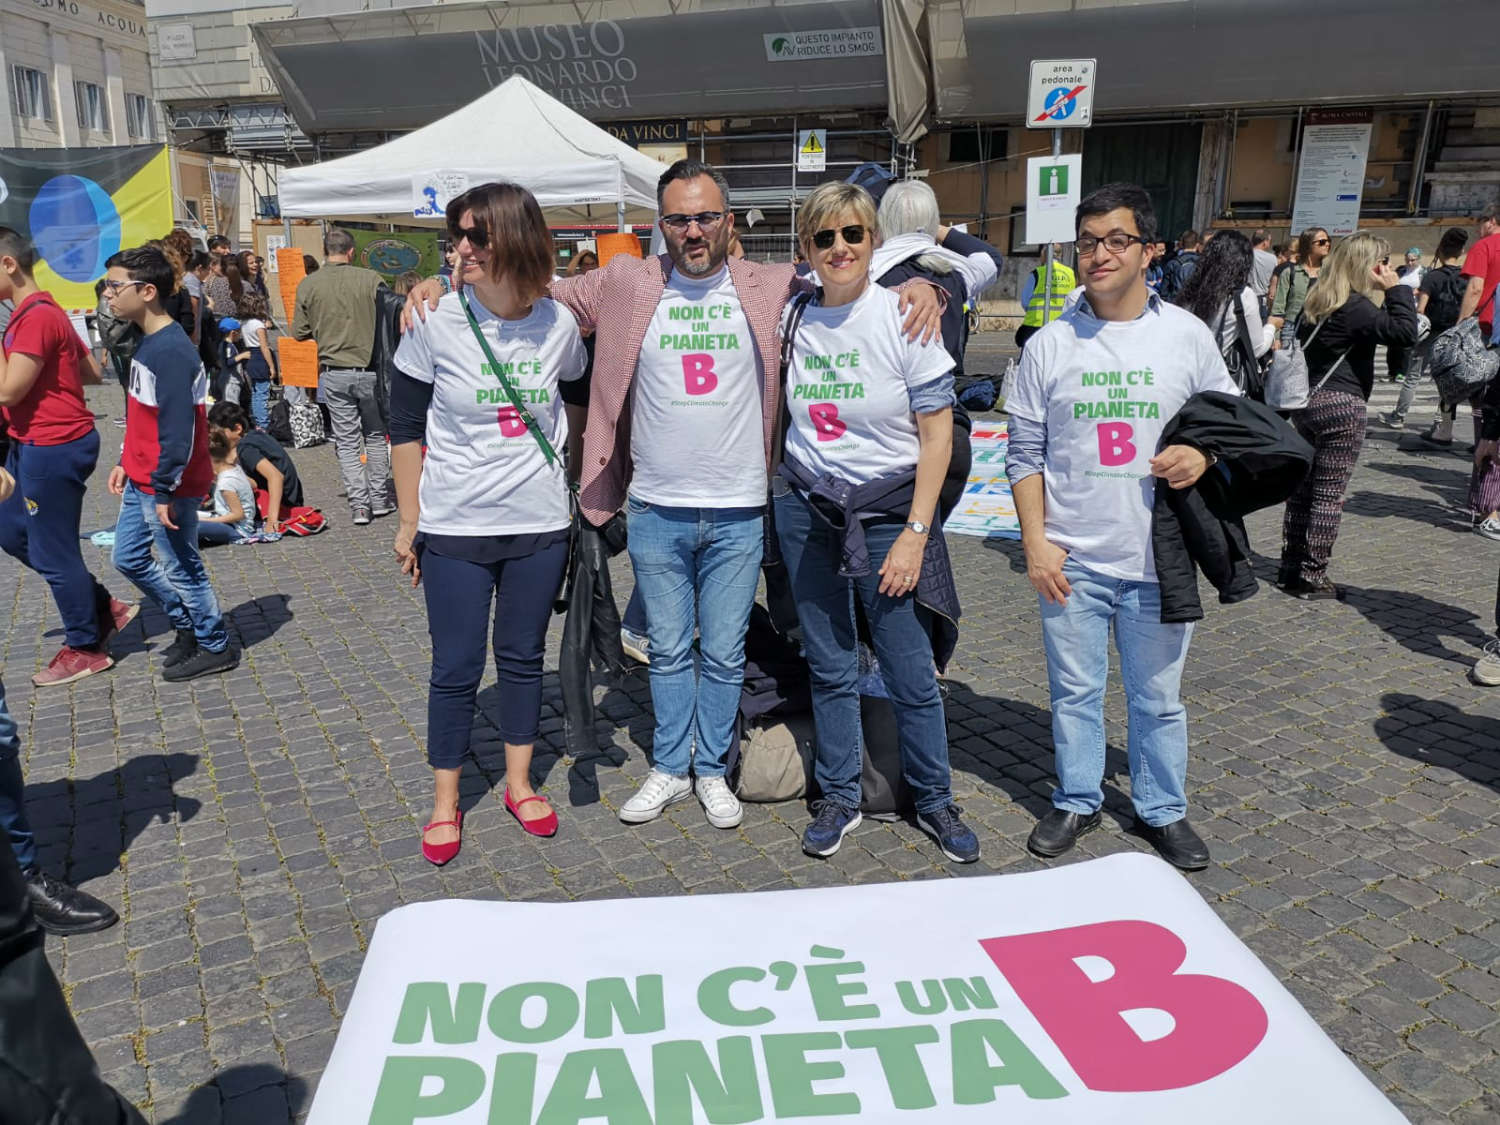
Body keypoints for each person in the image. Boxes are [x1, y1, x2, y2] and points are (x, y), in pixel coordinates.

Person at [403, 159, 940, 832]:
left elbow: (846, 272)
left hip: (741, 505)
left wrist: (918, 284)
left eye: (706, 216)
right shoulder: (630, 279)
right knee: (666, 648)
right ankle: (667, 765)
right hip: (654, 503)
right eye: (679, 218)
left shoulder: (771, 283)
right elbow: (536, 286)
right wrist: (440, 281)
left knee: (721, 651)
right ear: (661, 225)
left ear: (729, 222)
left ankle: (711, 768)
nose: (693, 230)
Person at [1006, 183, 1239, 870]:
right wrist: (1035, 542)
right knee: (1073, 691)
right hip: (1073, 556)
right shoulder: (1050, 343)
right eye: (1087, 241)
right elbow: (1023, 454)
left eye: (1116, 240)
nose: (1099, 254)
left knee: (1157, 697)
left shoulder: (1186, 336)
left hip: (1159, 555)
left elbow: (1229, 425)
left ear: (1150, 250)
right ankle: (1077, 796)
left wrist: (1204, 454)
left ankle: (1162, 808)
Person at [775, 182, 977, 863]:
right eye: (825, 237)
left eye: (853, 234)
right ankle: (838, 792)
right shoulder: (792, 316)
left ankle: (934, 796)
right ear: (806, 248)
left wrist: (918, 534)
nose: (840, 248)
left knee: (908, 666)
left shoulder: (906, 315)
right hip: (808, 508)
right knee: (828, 662)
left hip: (889, 514)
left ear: (874, 240)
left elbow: (938, 438)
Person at [390, 182, 586, 863]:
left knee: (524, 659)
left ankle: (518, 781)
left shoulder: (558, 325)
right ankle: (445, 800)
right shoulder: (433, 320)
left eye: (477, 236)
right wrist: (408, 519)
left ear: (516, 240)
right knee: (456, 665)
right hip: (456, 526)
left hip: (537, 523)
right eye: (456, 236)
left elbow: (579, 397)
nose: (461, 248)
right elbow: (405, 427)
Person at [0, 227, 136, 687]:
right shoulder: (42, 311)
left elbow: (7, 389)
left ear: (8, 264)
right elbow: (90, 372)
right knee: (9, 528)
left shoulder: (36, 316)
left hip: (51, 445)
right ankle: (100, 604)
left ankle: (85, 646)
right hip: (33, 440)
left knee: (52, 551)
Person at [103, 245, 238, 682]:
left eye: (113, 286)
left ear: (146, 291)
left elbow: (179, 434)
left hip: (169, 484)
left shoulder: (172, 352)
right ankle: (186, 622)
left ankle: (214, 644)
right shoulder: (148, 343)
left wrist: (164, 488)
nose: (107, 294)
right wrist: (126, 458)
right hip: (144, 477)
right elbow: (145, 414)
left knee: (183, 565)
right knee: (127, 557)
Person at [1278, 232, 1418, 600]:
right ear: (1366, 264)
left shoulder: (1319, 300)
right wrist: (1397, 291)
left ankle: (1290, 567)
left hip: (1308, 404)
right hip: (1342, 405)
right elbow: (1405, 334)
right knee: (1328, 495)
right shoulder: (1356, 307)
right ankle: (1313, 575)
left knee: (1302, 491)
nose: (1386, 268)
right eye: (1382, 262)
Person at [290, 228, 391, 525]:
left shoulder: (309, 284)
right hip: (371, 370)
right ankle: (381, 498)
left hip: (334, 371)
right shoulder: (371, 279)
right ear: (351, 251)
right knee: (374, 435)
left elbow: (298, 332)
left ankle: (360, 505)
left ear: (325, 251)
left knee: (347, 442)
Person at [1424, 208, 1500, 448]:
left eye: (1480, 223)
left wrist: (1461, 325)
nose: (1478, 229)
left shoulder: (1486, 246)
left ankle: (1484, 444)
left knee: (1479, 388)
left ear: (1491, 221)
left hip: (1489, 328)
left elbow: (1476, 288)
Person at [1380, 228, 1469, 430]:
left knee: (1413, 376)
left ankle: (1399, 416)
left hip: (1430, 333)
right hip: (1453, 333)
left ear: (1439, 251)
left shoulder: (1432, 277)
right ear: (1461, 252)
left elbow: (1421, 308)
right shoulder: (1466, 277)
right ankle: (1441, 422)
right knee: (1448, 379)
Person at [1174, 229, 1273, 387]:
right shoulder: (1243, 296)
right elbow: (1257, 349)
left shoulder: (1191, 289)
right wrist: (1272, 326)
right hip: (1214, 382)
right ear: (1243, 261)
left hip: (1181, 375)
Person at [207, 402, 303, 534]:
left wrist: (272, 520)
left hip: (284, 503)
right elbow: (255, 482)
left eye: (220, 433)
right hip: (289, 497)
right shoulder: (254, 436)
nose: (216, 437)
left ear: (237, 428)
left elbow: (276, 477)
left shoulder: (246, 448)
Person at [1269, 227, 1330, 346]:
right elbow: (1278, 307)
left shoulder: (1330, 272)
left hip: (1322, 329)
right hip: (1292, 330)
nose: (1327, 244)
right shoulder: (1290, 272)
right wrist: (1276, 338)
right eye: (1322, 242)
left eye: (1329, 241)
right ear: (1308, 245)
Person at [198, 430, 257, 546]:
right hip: (227, 519)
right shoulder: (235, 467)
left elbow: (238, 515)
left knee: (190, 524)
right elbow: (254, 484)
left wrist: (207, 521)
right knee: (185, 515)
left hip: (238, 529)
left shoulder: (226, 483)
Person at [1015, 245, 1075, 351]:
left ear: (1044, 255)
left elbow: (1025, 301)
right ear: (1060, 255)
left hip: (1036, 324)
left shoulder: (1037, 273)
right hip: (1062, 325)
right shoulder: (1070, 273)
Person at [238, 291, 276, 427]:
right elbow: (264, 347)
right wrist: (271, 366)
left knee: (255, 393)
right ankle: (263, 423)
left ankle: (258, 421)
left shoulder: (244, 323)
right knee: (262, 393)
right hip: (260, 358)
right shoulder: (258, 325)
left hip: (250, 357)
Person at [1158, 229, 1201, 302]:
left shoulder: (1172, 263)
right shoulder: (1203, 263)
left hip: (1175, 304)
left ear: (1182, 244)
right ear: (1197, 245)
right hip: (1195, 305)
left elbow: (1163, 291)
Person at [1250, 229, 1277, 316]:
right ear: (1265, 242)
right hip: (1262, 299)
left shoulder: (1245, 254)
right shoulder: (1272, 258)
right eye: (1270, 241)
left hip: (1243, 297)